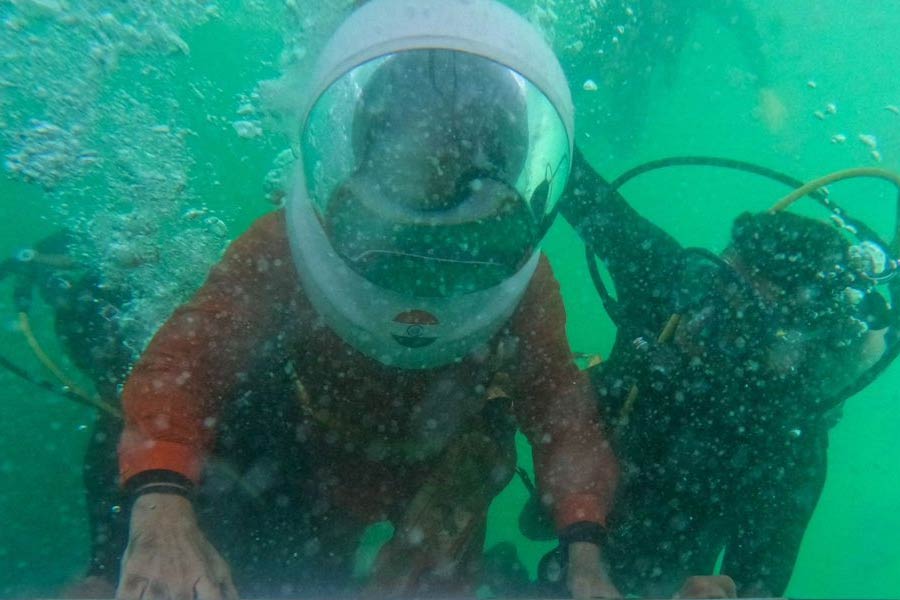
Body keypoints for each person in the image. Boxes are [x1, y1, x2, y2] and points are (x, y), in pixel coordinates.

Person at [114, 1, 620, 599]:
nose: (440, 205)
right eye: (423, 160)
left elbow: (559, 412)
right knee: (305, 573)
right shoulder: (285, 247)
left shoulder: (526, 288)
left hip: (446, 471)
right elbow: (189, 364)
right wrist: (162, 510)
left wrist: (585, 552)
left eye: (466, 167)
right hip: (315, 464)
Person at [511, 148, 898, 597]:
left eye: (739, 321)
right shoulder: (667, 280)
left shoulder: (787, 440)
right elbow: (569, 176)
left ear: (791, 352)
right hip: (576, 471)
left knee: (642, 570)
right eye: (714, 282)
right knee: (537, 522)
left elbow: (758, 583)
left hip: (659, 565)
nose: (699, 320)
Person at [556, 0, 786, 153]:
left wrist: (765, 88)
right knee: (559, 86)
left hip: (641, 62)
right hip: (605, 43)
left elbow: (741, 22)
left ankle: (579, 133)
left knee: (624, 142)